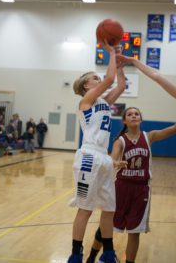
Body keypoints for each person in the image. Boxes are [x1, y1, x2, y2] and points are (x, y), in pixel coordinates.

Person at [86, 107, 176, 263]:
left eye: (137, 114)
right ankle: (91, 257)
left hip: (141, 190)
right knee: (106, 226)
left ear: (140, 119)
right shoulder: (120, 140)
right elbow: (112, 158)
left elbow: (172, 129)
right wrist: (115, 163)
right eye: (130, 114)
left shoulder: (149, 136)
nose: (134, 116)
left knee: (135, 232)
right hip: (120, 188)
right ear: (124, 121)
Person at [67, 41, 126, 263]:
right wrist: (111, 52)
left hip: (104, 157)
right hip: (89, 156)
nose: (100, 80)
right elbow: (110, 80)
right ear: (86, 86)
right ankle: (75, 255)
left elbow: (119, 85)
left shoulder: (103, 101)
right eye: (95, 78)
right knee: (85, 209)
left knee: (109, 208)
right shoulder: (86, 101)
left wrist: (119, 64)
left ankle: (108, 254)